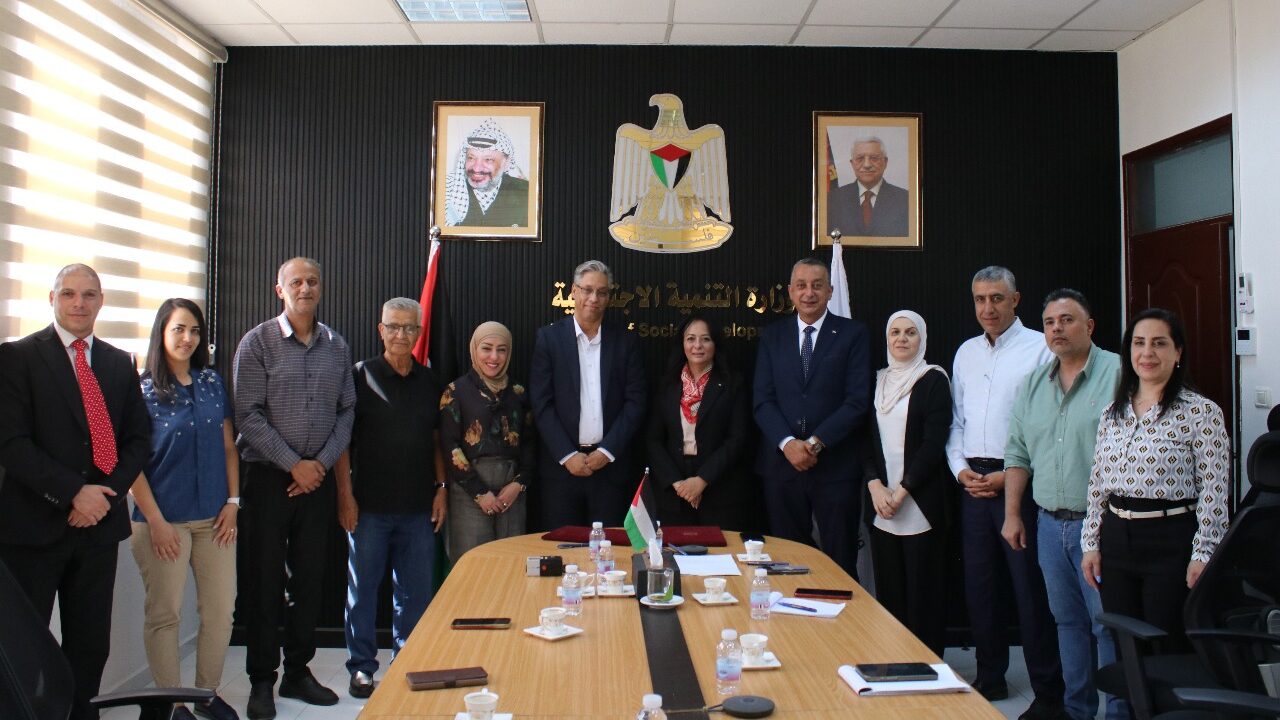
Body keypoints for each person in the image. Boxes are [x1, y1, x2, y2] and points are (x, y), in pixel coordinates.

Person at [0, 263, 151, 720]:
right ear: (52, 299)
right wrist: (72, 493)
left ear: (101, 301)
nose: (79, 303)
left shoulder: (118, 362)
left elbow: (138, 440)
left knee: (90, 646)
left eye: (89, 294)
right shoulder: (17, 357)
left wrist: (102, 496)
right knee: (24, 648)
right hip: (33, 530)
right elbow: (11, 442)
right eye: (68, 294)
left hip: (97, 531)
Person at [233, 257, 355, 719]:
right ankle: (261, 680)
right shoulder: (257, 342)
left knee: (310, 581)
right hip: (268, 478)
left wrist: (318, 465)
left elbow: (346, 411)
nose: (306, 288)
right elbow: (247, 415)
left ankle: (298, 672)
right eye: (296, 282)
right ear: (279, 289)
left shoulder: (336, 346)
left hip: (317, 481)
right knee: (264, 582)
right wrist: (293, 465)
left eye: (313, 281)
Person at [945, 266, 1066, 719]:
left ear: (1015, 300)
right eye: (980, 299)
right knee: (980, 587)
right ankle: (990, 677)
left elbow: (1048, 422)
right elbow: (956, 421)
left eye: (997, 298)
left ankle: (1048, 691)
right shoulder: (966, 352)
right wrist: (960, 470)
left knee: (1029, 590)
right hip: (972, 484)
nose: (988, 308)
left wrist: (1010, 474)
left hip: (1019, 484)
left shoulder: (1040, 347)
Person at [1001, 290, 1125, 720]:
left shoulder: (1119, 374)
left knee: (1107, 626)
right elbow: (1017, 453)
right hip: (1050, 526)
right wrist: (1012, 514)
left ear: (1089, 326)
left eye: (1067, 320)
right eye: (1050, 322)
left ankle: (1119, 713)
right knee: (1068, 622)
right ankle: (1077, 711)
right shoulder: (1034, 383)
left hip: (1103, 527)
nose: (1057, 328)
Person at [1081, 308, 1230, 648]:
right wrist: (1090, 544)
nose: (1147, 353)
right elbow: (1097, 486)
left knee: (1165, 645)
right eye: (1139, 343)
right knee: (1125, 645)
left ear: (1178, 352)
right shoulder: (1112, 412)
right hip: (1116, 540)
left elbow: (1214, 490)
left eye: (1159, 343)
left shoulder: (1201, 412)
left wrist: (1204, 553)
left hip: (1170, 541)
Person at [129, 299, 241, 720]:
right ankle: (171, 704)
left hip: (215, 519)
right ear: (161, 332)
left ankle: (205, 695)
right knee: (165, 615)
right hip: (163, 523)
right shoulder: (141, 392)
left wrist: (233, 502)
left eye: (194, 330)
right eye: (178, 329)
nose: (187, 338)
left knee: (221, 610)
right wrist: (156, 521)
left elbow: (228, 447)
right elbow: (131, 465)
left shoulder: (211, 382)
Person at [334, 297, 447, 699]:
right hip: (368, 508)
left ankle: (406, 661)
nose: (401, 334)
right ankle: (362, 667)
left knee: (415, 595)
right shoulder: (359, 376)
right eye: (394, 327)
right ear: (380, 330)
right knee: (362, 592)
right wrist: (345, 496)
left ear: (419, 333)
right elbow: (342, 443)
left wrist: (441, 489)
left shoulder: (431, 382)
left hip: (418, 509)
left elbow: (437, 441)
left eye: (409, 328)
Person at [753, 257, 870, 577]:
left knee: (840, 563)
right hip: (782, 467)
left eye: (817, 286)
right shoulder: (773, 336)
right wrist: (788, 444)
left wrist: (815, 443)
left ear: (830, 291)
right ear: (790, 291)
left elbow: (857, 401)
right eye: (801, 286)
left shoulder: (853, 334)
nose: (809, 293)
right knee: (787, 561)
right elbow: (762, 400)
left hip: (835, 467)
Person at [857, 310, 952, 657]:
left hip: (919, 503)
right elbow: (864, 439)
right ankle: (894, 661)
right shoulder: (876, 380)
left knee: (924, 594)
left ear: (922, 338)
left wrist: (902, 491)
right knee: (891, 593)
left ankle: (927, 666)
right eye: (895, 332)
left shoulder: (933, 379)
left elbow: (933, 444)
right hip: (882, 505)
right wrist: (876, 486)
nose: (902, 339)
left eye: (910, 332)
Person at [530, 260, 646, 527]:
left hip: (610, 471)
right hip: (562, 471)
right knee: (562, 548)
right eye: (587, 290)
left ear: (608, 297)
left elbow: (636, 402)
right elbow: (541, 404)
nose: (594, 298)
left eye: (602, 292)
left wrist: (607, 451)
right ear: (574, 291)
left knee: (609, 549)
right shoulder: (549, 339)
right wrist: (567, 455)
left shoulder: (625, 342)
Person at [440, 321, 535, 559]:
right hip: (469, 492)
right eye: (486, 348)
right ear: (474, 349)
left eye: (501, 350)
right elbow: (450, 445)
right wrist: (479, 492)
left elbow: (531, 443)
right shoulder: (455, 391)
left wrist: (518, 484)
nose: (494, 357)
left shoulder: (519, 393)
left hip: (511, 493)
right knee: (473, 563)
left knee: (511, 562)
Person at [645, 315, 750, 529]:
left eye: (706, 339)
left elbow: (737, 439)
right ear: (682, 344)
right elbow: (652, 439)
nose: (697, 346)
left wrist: (702, 480)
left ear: (715, 343)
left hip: (719, 486)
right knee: (674, 549)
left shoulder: (733, 384)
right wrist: (678, 484)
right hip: (674, 489)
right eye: (691, 339)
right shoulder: (667, 385)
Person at [444, 117, 530, 228]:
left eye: (488, 159)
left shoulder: (527, 193)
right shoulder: (448, 191)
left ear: (506, 163)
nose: (477, 168)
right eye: (471, 158)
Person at [827, 136, 909, 237]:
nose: (867, 165)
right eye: (860, 158)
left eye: (874, 158)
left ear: (885, 162)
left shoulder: (906, 200)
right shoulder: (832, 199)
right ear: (852, 164)